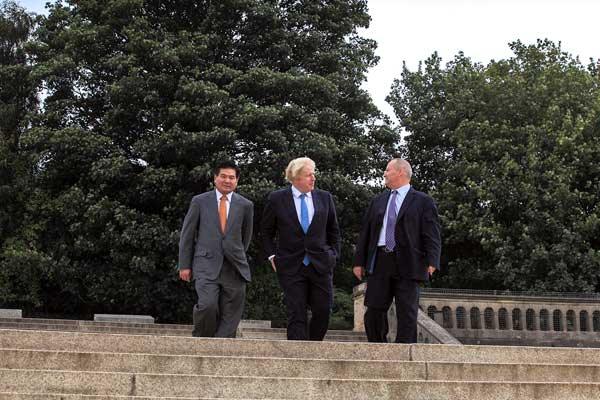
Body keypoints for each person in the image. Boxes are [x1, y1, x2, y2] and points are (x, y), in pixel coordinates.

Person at [353, 158, 441, 343]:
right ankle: (377, 348)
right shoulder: (378, 201)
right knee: (374, 310)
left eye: (387, 169)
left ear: (400, 172)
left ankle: (405, 351)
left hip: (410, 261)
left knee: (407, 311)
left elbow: (431, 234)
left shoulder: (423, 201)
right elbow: (366, 233)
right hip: (380, 260)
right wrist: (359, 261)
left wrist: (432, 260)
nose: (384, 173)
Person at [260, 157, 340, 341]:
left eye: (314, 174)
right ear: (295, 178)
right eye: (309, 175)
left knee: (323, 311)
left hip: (321, 264)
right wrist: (273, 256)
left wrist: (333, 255)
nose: (313, 178)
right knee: (296, 312)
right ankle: (298, 355)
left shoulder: (325, 198)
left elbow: (333, 231)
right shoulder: (277, 198)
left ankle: (312, 348)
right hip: (290, 264)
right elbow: (265, 232)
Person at [178, 160, 254, 337]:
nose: (228, 180)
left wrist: (237, 255)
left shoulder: (246, 205)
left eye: (232, 177)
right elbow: (187, 235)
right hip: (206, 264)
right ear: (215, 178)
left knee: (231, 314)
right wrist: (184, 265)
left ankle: (222, 348)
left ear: (237, 180)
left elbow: (246, 236)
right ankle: (202, 342)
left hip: (234, 267)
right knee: (207, 305)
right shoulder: (200, 201)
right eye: (224, 176)